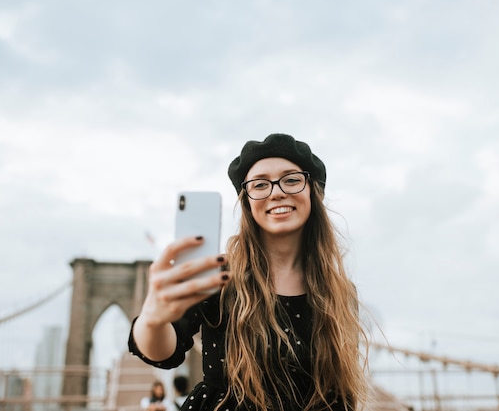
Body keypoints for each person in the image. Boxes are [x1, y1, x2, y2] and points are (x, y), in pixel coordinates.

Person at [129, 133, 370, 411]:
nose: (277, 192)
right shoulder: (217, 275)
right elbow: (164, 353)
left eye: (292, 179)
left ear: (312, 193)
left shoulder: (341, 292)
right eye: (260, 184)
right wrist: (152, 320)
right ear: (247, 202)